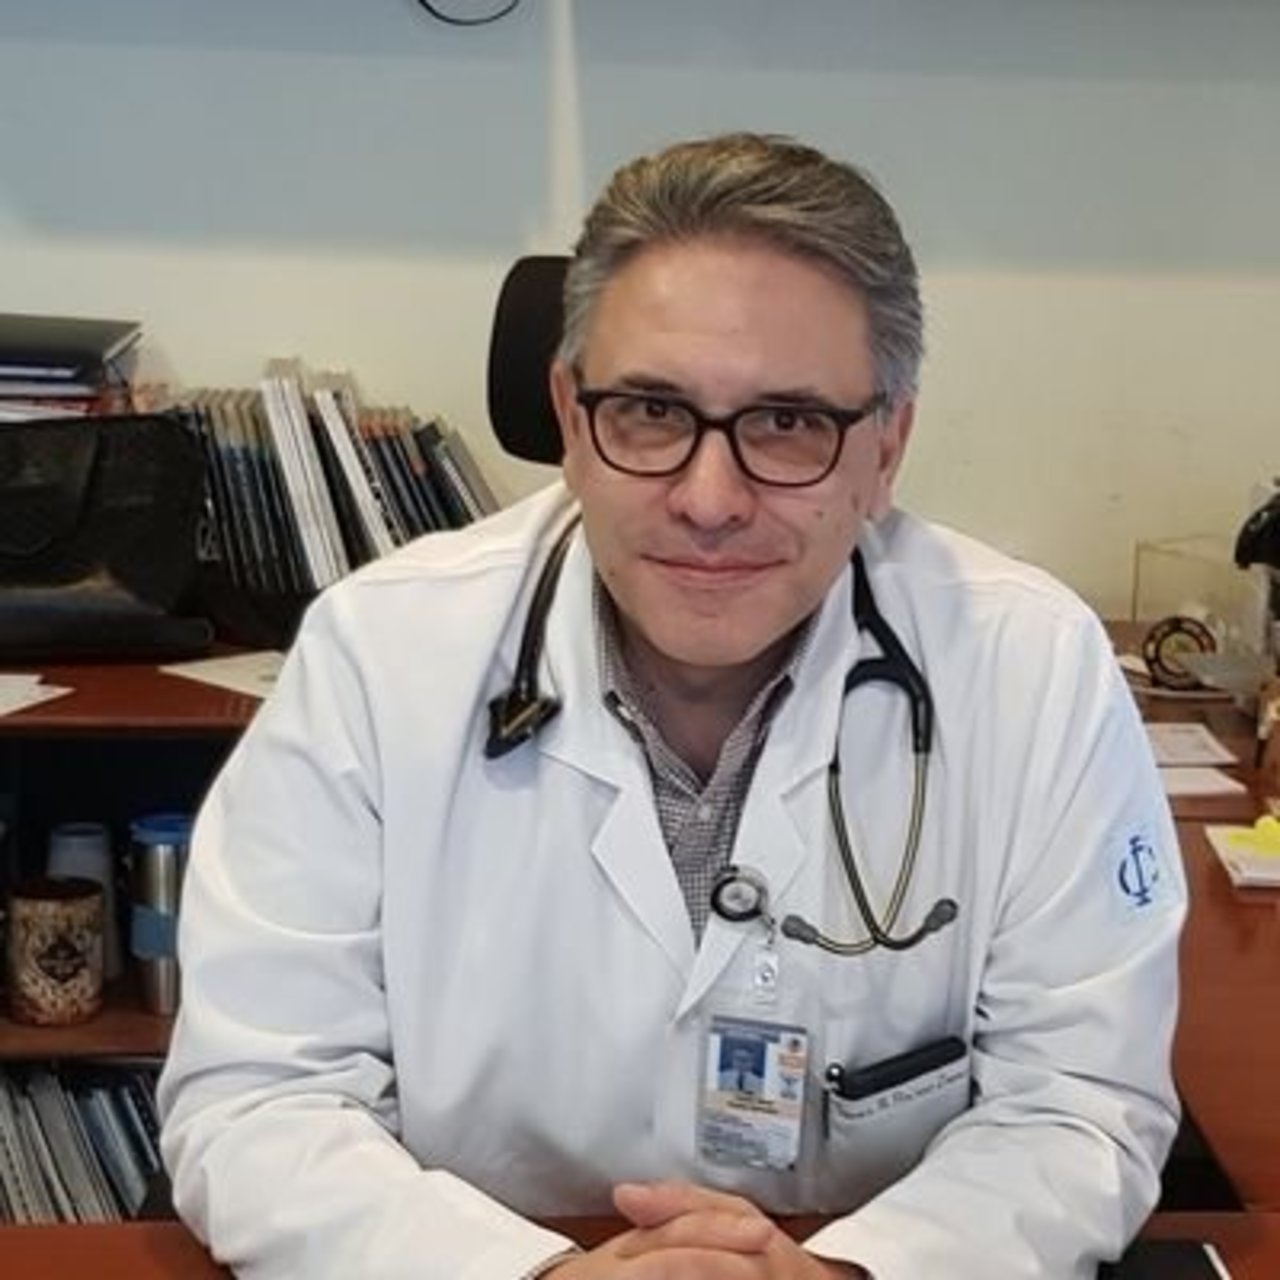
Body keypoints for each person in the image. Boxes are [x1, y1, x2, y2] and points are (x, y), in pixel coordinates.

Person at [158, 132, 1186, 1280]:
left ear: (884, 446)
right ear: (569, 417)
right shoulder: (378, 655)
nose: (708, 498)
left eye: (786, 423)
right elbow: (259, 1099)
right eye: (650, 410)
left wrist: (849, 1272)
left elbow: (1076, 1103)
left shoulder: (1027, 669)